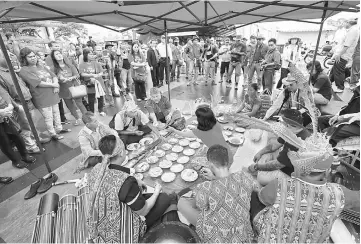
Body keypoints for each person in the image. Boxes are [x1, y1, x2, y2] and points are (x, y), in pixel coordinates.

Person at [251, 136, 360, 243]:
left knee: (254, 196)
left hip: (276, 239)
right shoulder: (339, 193)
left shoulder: (279, 185)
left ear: (298, 166)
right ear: (327, 172)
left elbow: (262, 198)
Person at [87, 134, 172, 243]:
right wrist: (156, 191)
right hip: (121, 233)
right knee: (165, 198)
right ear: (122, 152)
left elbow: (113, 178)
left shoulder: (97, 168)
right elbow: (144, 211)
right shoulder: (126, 183)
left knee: (142, 195)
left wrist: (136, 180)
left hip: (101, 223)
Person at [177, 144, 257, 243]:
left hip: (216, 237)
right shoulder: (245, 177)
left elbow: (201, 206)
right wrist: (215, 179)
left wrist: (213, 182)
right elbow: (230, 185)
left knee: (182, 202)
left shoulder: (205, 187)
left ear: (210, 165)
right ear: (228, 162)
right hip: (243, 234)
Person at [19, 47, 70, 141]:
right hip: (41, 97)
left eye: (34, 56)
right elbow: (37, 83)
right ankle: (52, 133)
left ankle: (59, 129)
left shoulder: (41, 66)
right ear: (24, 58)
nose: (33, 58)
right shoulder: (24, 70)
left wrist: (55, 85)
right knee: (48, 117)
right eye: (30, 57)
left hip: (53, 94)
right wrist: (53, 84)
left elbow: (53, 75)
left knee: (56, 113)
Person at [249, 109, 311, 186]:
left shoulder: (296, 142)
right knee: (266, 152)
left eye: (281, 122)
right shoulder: (291, 131)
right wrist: (260, 152)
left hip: (294, 175)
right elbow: (275, 145)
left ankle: (286, 181)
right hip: (287, 163)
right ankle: (264, 166)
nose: (279, 123)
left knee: (261, 178)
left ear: (287, 125)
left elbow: (277, 165)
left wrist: (257, 167)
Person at [0, 50, 47, 150]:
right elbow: (4, 93)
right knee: (24, 126)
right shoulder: (1, 75)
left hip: (28, 100)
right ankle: (31, 146)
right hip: (18, 103)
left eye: (11, 55)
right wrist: (16, 106)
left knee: (33, 122)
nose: (11, 57)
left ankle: (36, 139)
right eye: (7, 56)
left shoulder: (12, 70)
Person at [168, 105, 233, 162]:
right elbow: (215, 138)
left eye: (197, 117)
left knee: (195, 162)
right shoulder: (216, 124)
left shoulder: (200, 132)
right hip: (228, 153)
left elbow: (183, 134)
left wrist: (173, 130)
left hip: (220, 160)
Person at [0, 80, 36, 170]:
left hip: (5, 113)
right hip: (2, 112)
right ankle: (15, 160)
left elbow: (3, 92)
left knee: (16, 135)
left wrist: (10, 105)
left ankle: (24, 155)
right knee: (3, 140)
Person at [50, 49, 88, 125]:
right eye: (57, 54)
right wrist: (60, 79)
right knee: (70, 105)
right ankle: (77, 119)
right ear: (54, 57)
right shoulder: (53, 68)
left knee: (79, 103)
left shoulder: (70, 65)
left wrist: (69, 78)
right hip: (63, 89)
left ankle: (87, 118)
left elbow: (77, 75)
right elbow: (53, 78)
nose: (59, 55)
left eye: (60, 53)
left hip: (74, 87)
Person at [330, 18, 359, 93]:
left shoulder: (353, 31)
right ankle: (329, 82)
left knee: (338, 71)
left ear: (348, 22)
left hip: (343, 54)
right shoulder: (351, 30)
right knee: (334, 70)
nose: (343, 24)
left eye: (343, 23)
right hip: (342, 53)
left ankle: (340, 87)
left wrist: (339, 54)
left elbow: (347, 45)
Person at [79, 48, 106, 116]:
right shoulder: (82, 64)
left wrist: (98, 75)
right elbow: (82, 74)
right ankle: (92, 111)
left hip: (98, 82)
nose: (92, 55)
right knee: (91, 98)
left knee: (100, 97)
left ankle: (101, 110)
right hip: (89, 83)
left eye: (92, 54)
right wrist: (92, 75)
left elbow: (101, 72)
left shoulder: (96, 63)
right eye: (90, 54)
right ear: (85, 55)